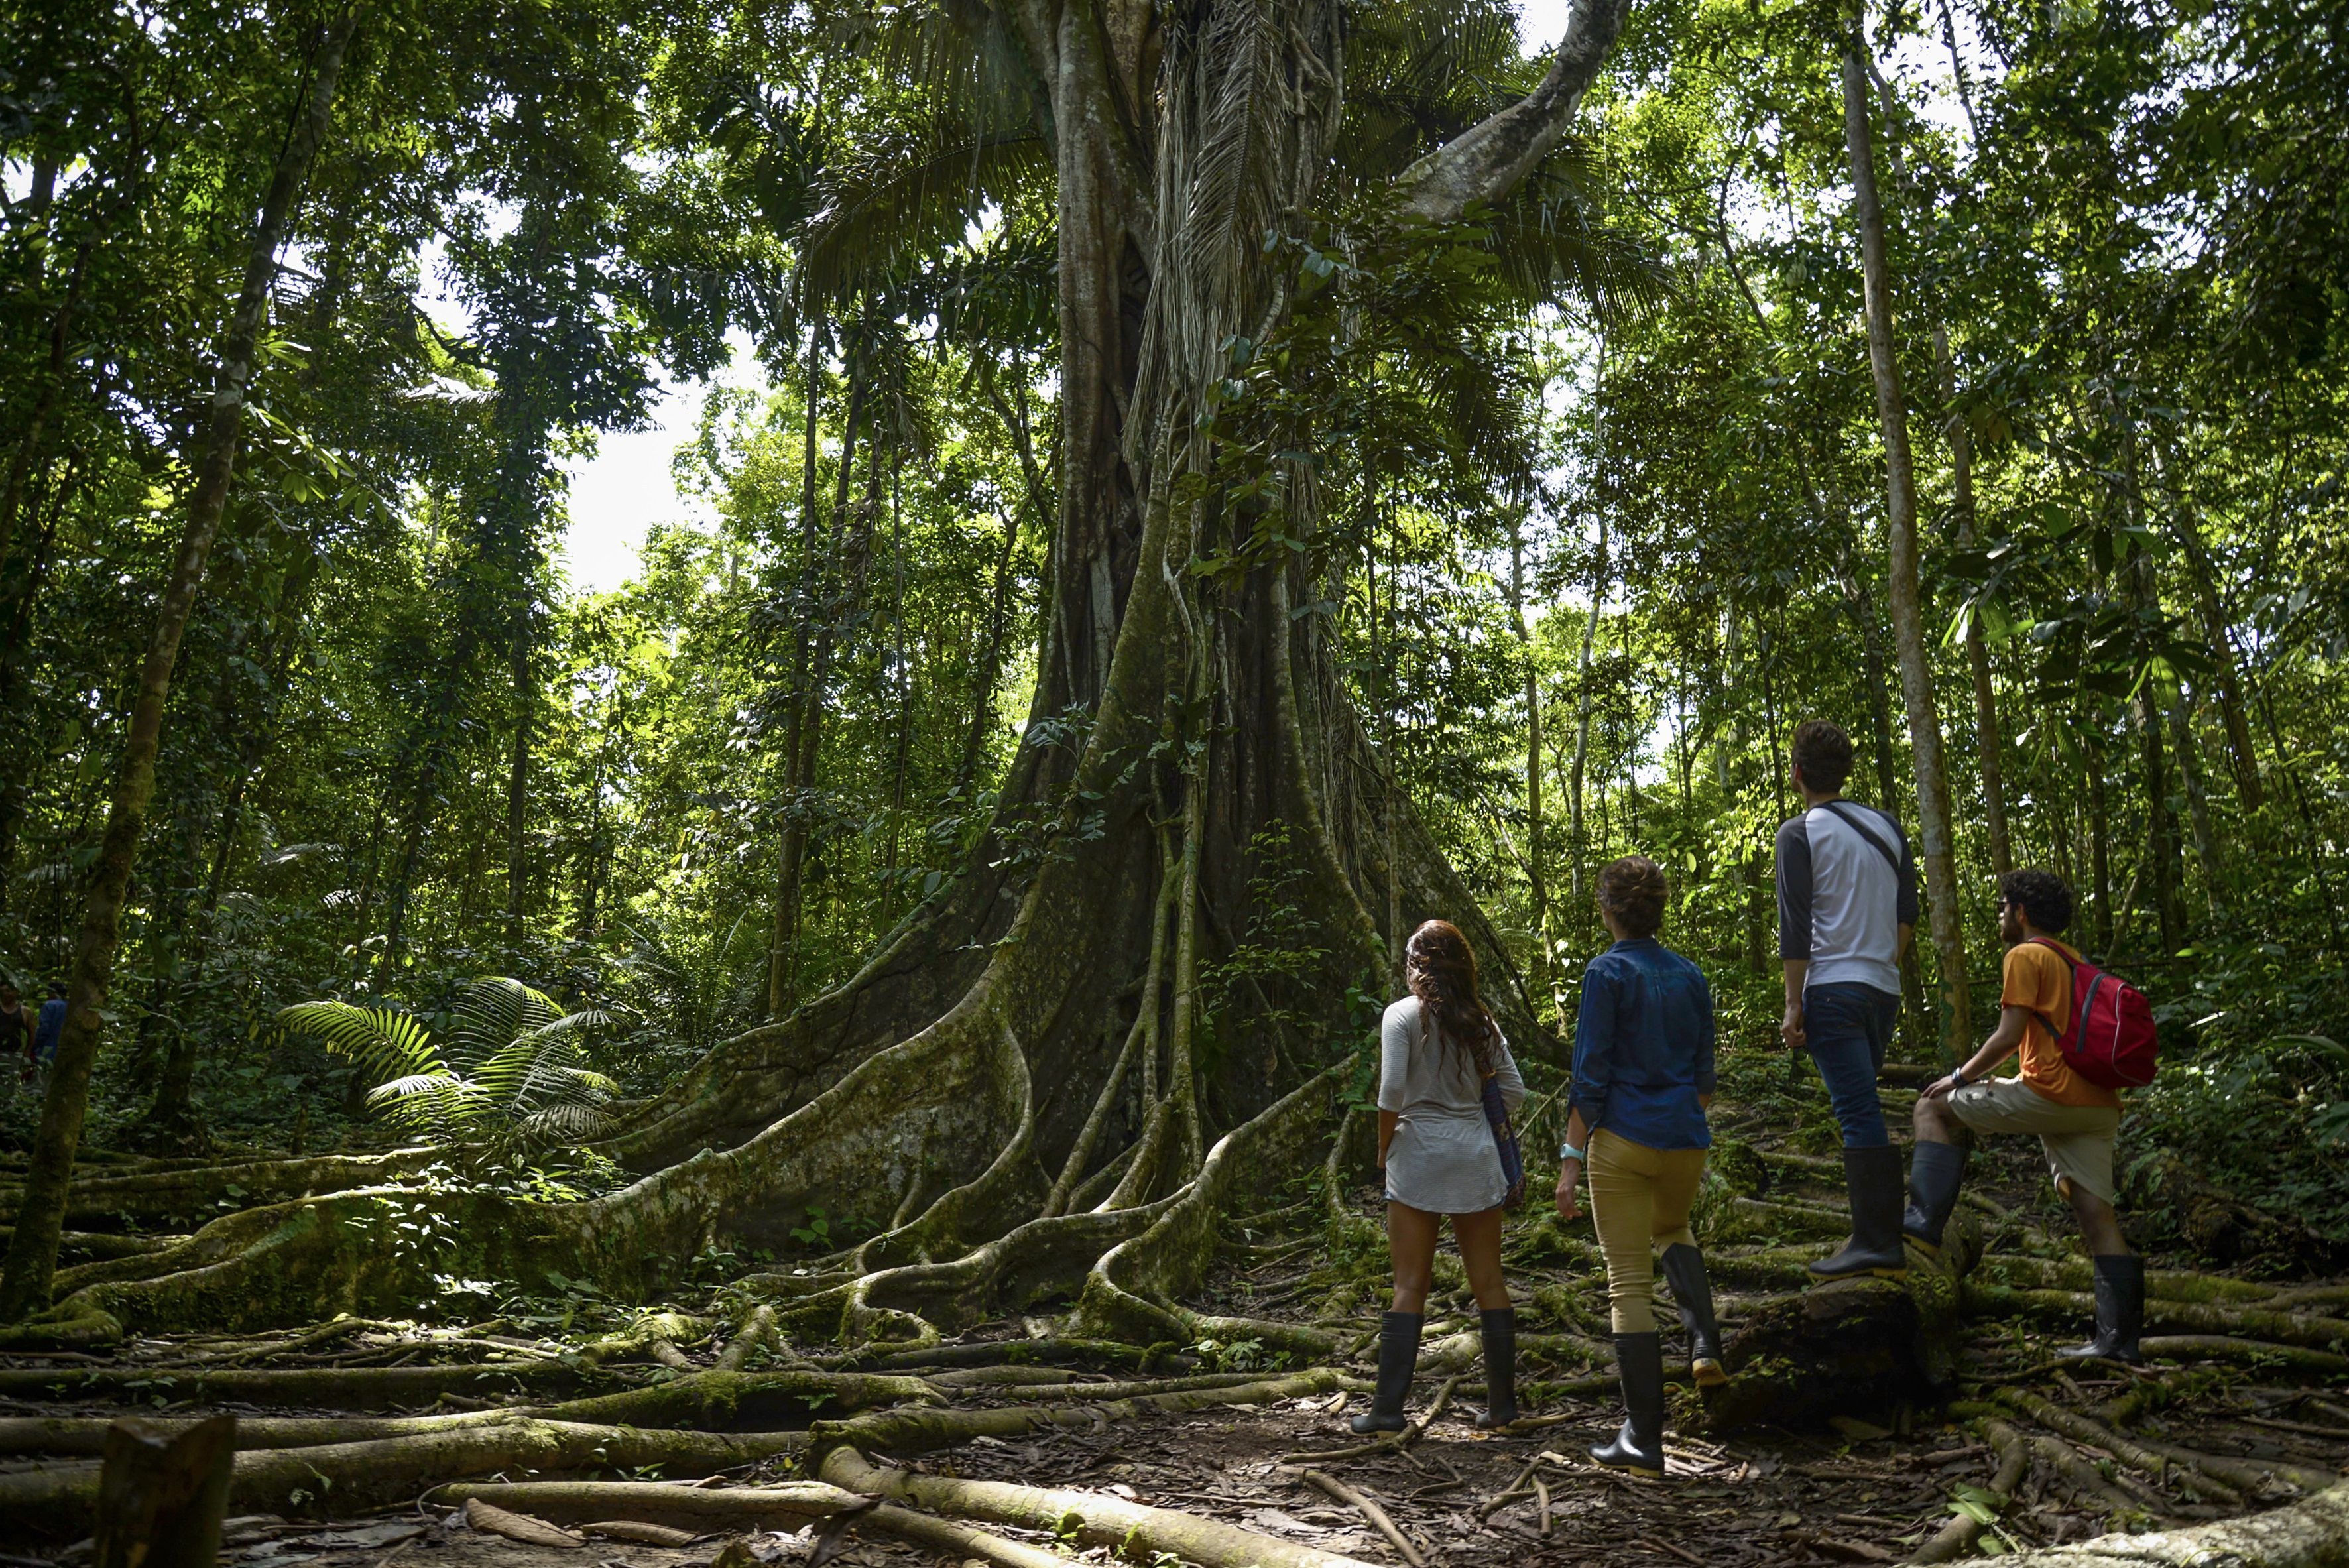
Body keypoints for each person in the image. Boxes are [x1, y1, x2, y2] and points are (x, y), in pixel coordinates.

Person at [1905, 869, 2139, 1360]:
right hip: (2096, 1104)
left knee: (1930, 1105)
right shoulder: (2074, 961)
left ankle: (1922, 1227)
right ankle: (2118, 1342)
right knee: (2096, 1213)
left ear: (2021, 912)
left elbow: (2007, 1037)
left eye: (2001, 905)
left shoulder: (2025, 955)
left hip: (2050, 1095)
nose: (1999, 914)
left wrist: (1960, 1077)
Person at [1555, 856, 1725, 1479]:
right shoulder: (1690, 974)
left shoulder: (1606, 972)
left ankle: (1643, 1441)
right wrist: (1679, 1115)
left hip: (1621, 1141)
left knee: (1626, 1281)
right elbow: (1705, 1077)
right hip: (1686, 1136)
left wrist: (1571, 1160)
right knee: (1674, 1228)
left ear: (1606, 909)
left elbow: (1590, 1076)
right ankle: (1704, 1343)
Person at [1353, 919, 1528, 1434]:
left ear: (1413, 966)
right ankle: (1503, 1409)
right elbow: (1513, 1091)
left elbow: (1389, 1094)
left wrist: (1385, 1146)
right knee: (1490, 1282)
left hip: (1419, 1156)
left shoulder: (1400, 1016)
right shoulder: (1482, 1023)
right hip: (1475, 1157)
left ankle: (1387, 1410)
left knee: (1409, 1284)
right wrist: (1472, 1115)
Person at [1775, 719, 1920, 1280]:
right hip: (1881, 989)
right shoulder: (1886, 826)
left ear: (1797, 774)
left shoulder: (1799, 832)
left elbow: (1796, 926)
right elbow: (1905, 913)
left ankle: (1876, 1241)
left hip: (1832, 990)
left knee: (1856, 1112)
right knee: (1862, 1108)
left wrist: (1794, 1004)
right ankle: (1878, 1233)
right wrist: (1880, 960)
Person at [31, 983, 65, 1080]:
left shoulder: (49, 1005)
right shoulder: (70, 1007)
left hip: (47, 1051)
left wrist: (34, 1047)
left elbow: (44, 1030)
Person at [0, 983, 31, 1085]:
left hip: (14, 1056)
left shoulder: (25, 1012)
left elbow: (32, 1035)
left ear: (17, 992)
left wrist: (26, 1055)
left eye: (9, 991)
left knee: (10, 1086)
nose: (6, 994)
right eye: (3, 991)